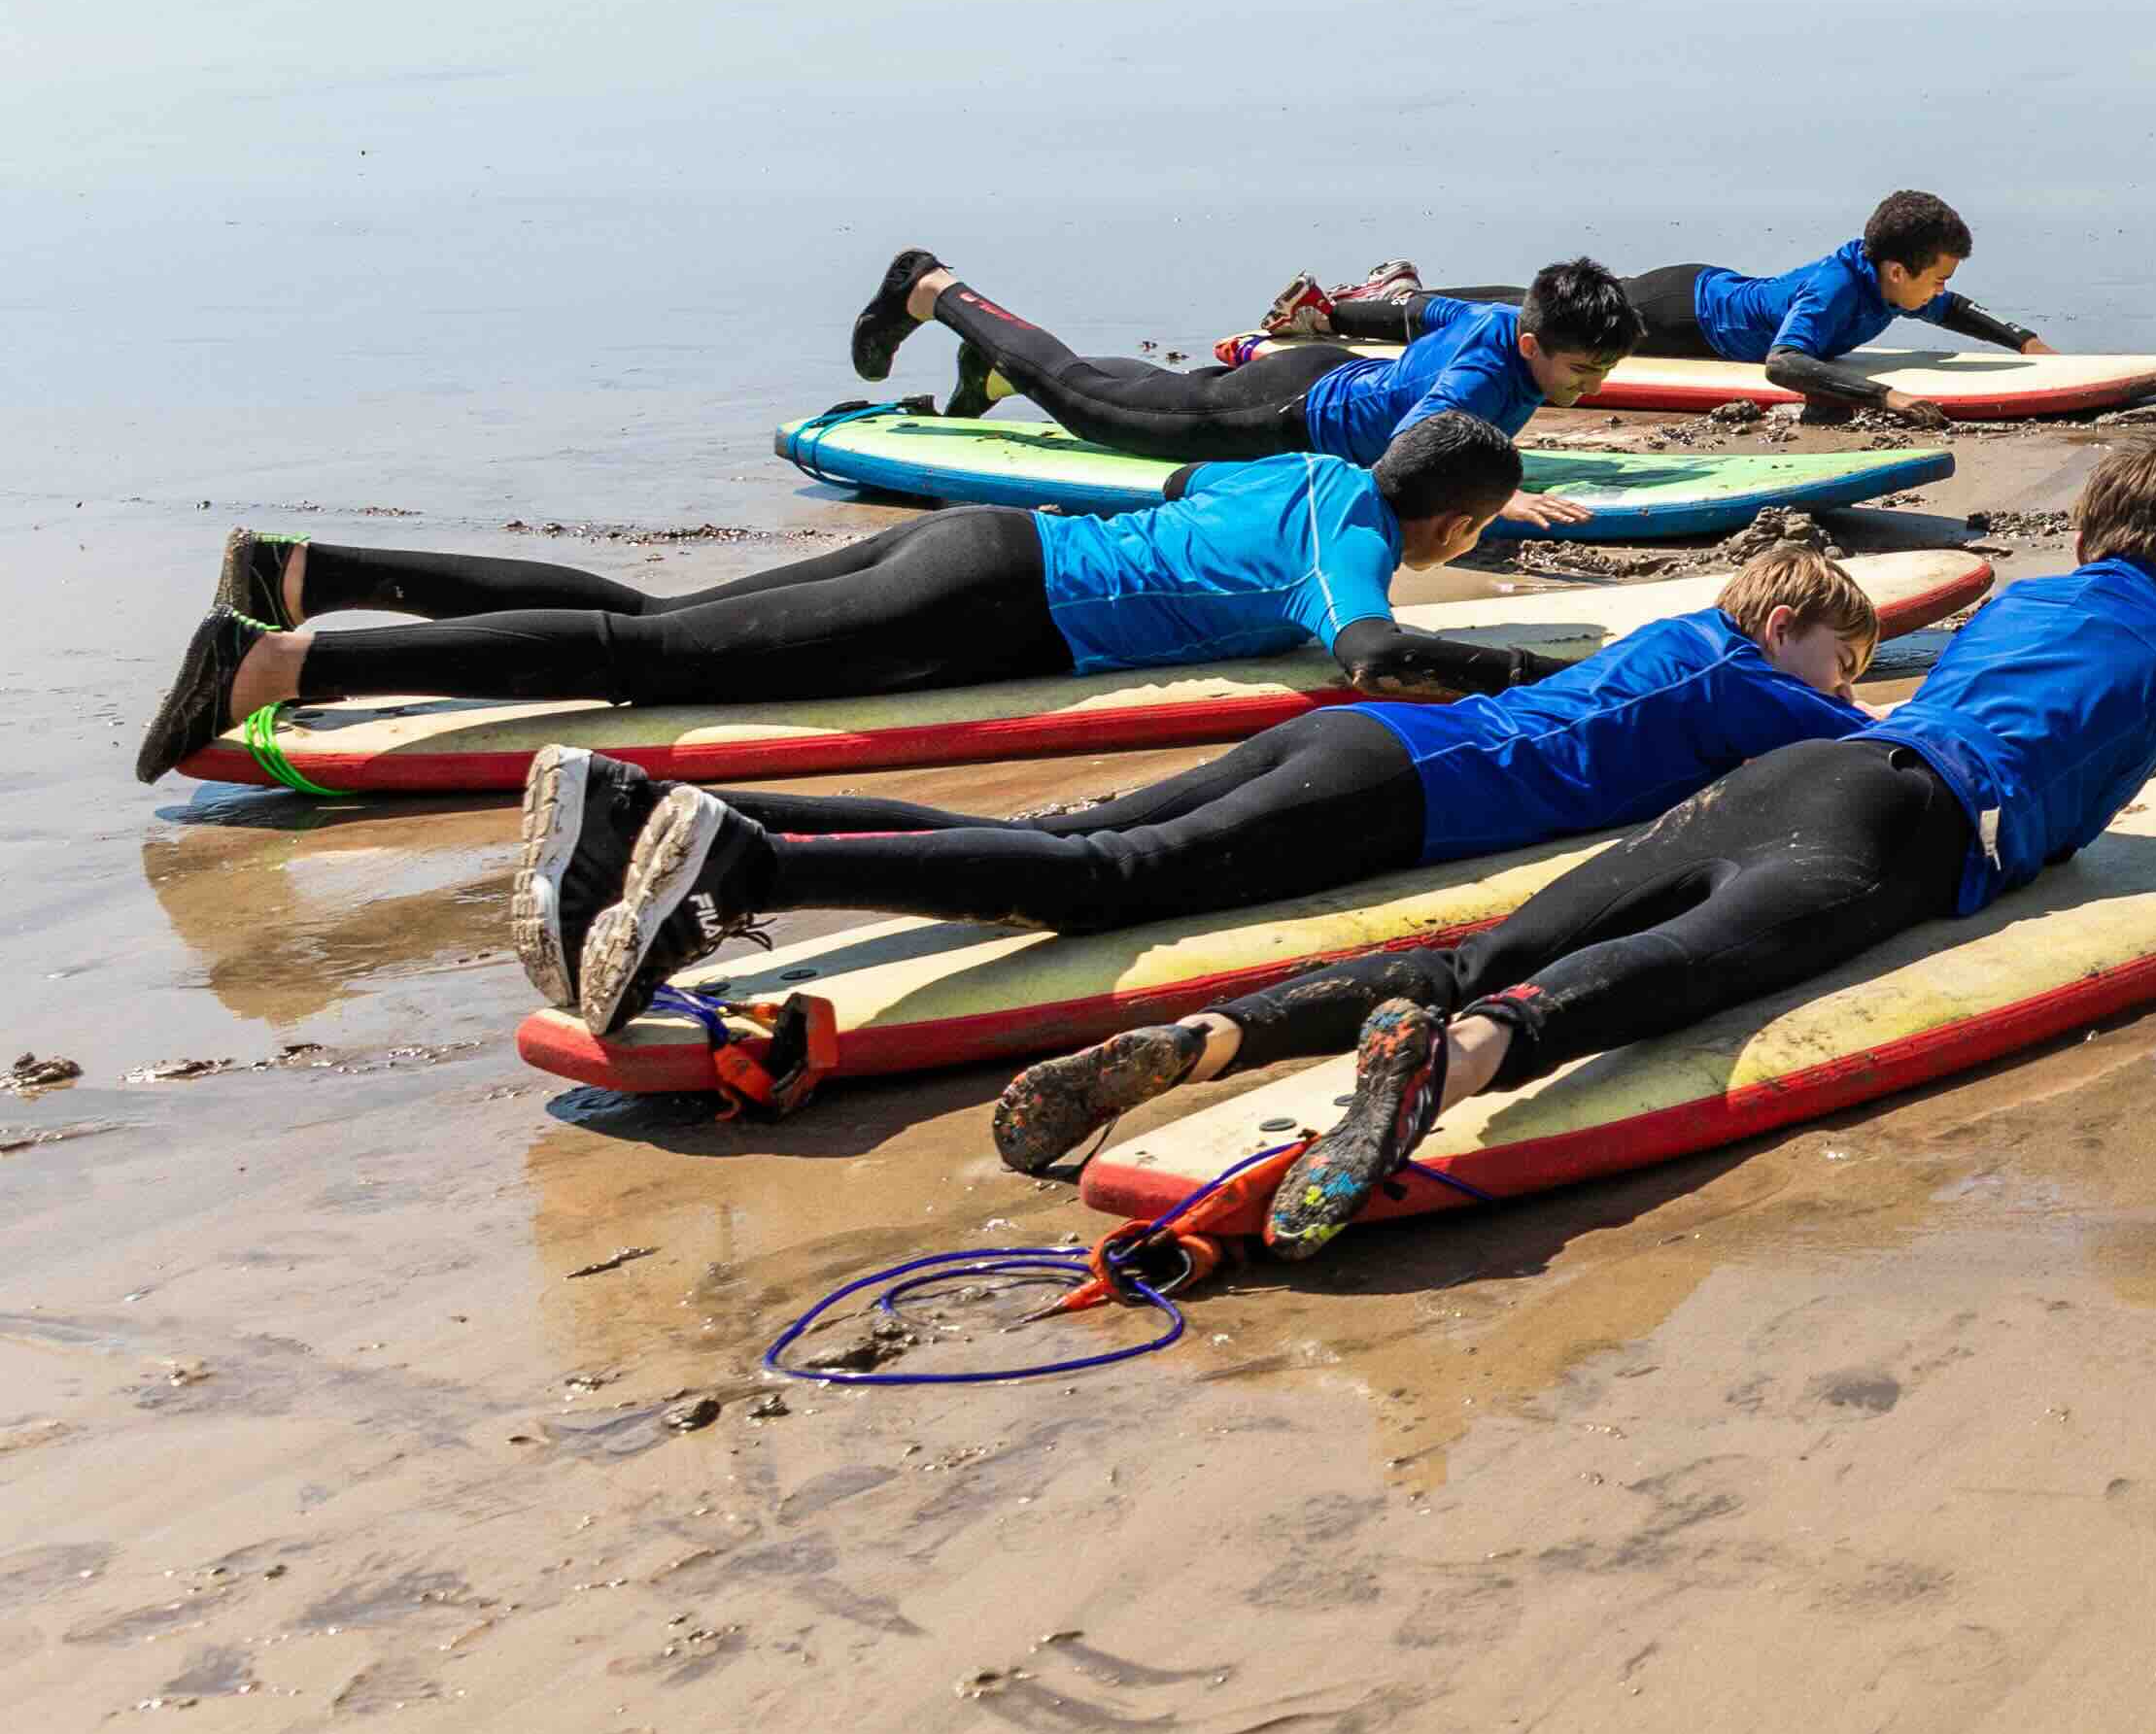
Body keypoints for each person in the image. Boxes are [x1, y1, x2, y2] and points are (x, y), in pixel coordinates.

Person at [1238, 430, 2156, 1258]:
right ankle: (1456, 1063)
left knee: (1494, 946)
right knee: (1698, 957)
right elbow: (2077, 817)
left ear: (2083, 535)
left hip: (1804, 765)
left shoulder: (2018, 600)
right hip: (1915, 815)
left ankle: (1201, 1039)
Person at [533, 544, 1896, 1130]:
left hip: (1353, 737)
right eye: (1841, 656)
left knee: (1082, 829)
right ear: (1787, 625)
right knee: (1103, 879)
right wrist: (1860, 709)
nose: (1839, 684)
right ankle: (746, 869)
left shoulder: (1674, 638)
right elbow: (1860, 755)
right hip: (1404, 791)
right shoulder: (1755, 684)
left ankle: (657, 811)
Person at [148, 415, 1539, 849]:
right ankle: (279, 662)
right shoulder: (1348, 531)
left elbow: (1178, 490)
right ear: (1456, 521)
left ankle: (305, 570)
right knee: (651, 664)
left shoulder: (1297, 472)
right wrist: (1542, 669)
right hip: (985, 603)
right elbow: (1363, 654)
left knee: (657, 620)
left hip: (988, 548)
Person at [1273, 189, 2043, 425]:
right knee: (1523, 316)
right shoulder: (1839, 288)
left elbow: (1951, 311)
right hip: (1684, 311)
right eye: (1934, 277)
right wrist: (1885, 393)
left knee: (1523, 308)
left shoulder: (1888, 279)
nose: (1938, 291)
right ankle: (1373, 305)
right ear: (1897, 267)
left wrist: (2022, 341)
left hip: (1708, 287)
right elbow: (1783, 361)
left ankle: (1395, 291)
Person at [845, 245, 1635, 471]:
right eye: (1582, 373)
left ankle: (989, 372)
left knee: (1159, 392)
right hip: (1280, 417)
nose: (1590, 387)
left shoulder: (1504, 319)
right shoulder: (1486, 374)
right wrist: (1504, 492)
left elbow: (1423, 307)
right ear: (1532, 343)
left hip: (1317, 372)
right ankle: (933, 288)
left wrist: (1337, 309)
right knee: (1089, 402)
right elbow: (1414, 451)